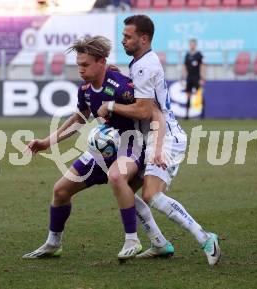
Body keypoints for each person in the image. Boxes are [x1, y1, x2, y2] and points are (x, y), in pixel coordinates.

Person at [22, 36, 172, 260]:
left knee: (118, 177)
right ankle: (53, 243)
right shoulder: (85, 90)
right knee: (60, 190)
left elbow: (151, 113)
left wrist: (157, 148)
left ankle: (132, 240)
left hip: (130, 147)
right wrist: (46, 142)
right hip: (101, 150)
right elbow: (79, 119)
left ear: (101, 62)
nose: (80, 70)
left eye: (85, 64)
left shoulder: (123, 87)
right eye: (78, 65)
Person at [98, 15, 220, 265]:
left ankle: (205, 237)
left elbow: (144, 111)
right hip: (150, 136)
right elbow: (142, 96)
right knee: (125, 190)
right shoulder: (140, 63)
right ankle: (159, 243)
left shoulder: (145, 65)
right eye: (123, 36)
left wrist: (111, 105)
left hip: (164, 137)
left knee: (152, 194)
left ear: (143, 39)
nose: (123, 41)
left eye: (128, 37)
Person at [182, 38, 205, 120]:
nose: (192, 45)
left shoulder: (199, 55)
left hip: (197, 77)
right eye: (190, 44)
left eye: (193, 44)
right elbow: (184, 66)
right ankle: (187, 115)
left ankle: (202, 114)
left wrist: (202, 78)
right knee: (188, 95)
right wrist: (183, 77)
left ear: (195, 45)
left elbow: (202, 66)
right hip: (189, 77)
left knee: (199, 95)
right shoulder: (187, 55)